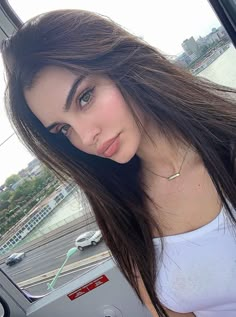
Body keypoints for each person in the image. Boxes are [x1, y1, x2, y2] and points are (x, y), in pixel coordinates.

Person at [1, 9, 236, 317]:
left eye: (84, 97)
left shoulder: (227, 149)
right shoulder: (120, 208)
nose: (86, 138)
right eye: (63, 129)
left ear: (124, 64)